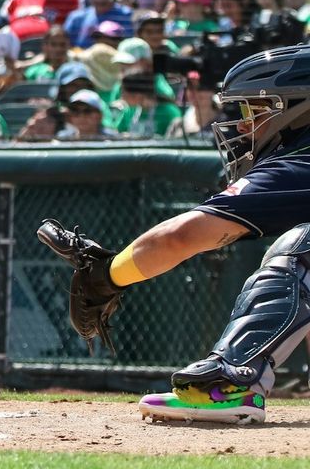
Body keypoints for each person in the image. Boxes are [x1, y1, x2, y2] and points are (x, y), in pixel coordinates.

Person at [39, 43, 310, 423]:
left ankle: (230, 384)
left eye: (256, 110)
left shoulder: (298, 162)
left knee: (301, 247)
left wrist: (108, 275)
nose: (245, 124)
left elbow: (180, 238)